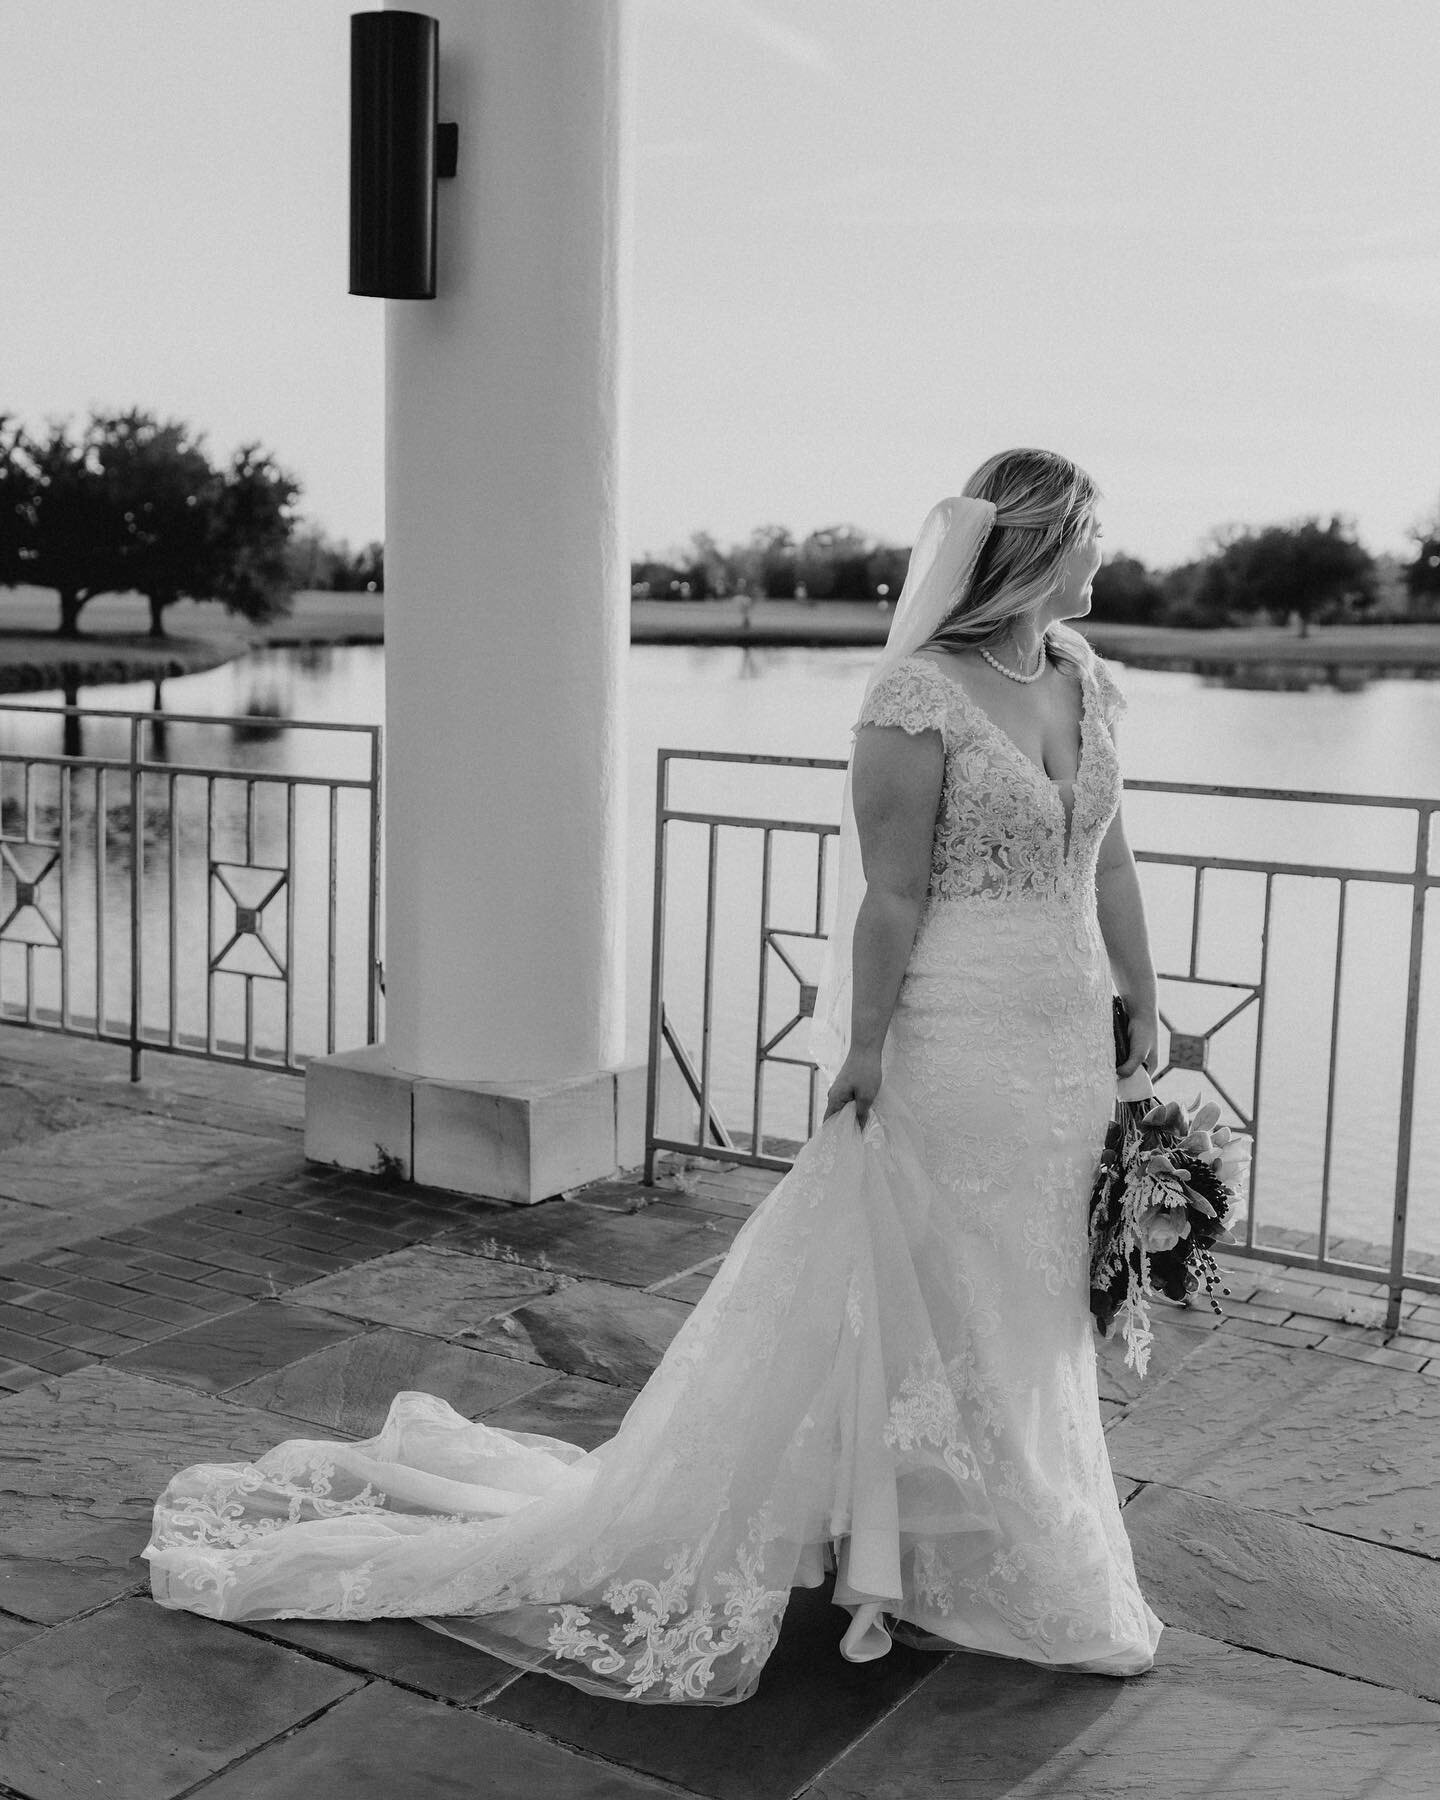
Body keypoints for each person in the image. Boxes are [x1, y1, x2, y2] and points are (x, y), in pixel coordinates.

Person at [144, 448, 1163, 1704]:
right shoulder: (918, 696)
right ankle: (921, 1559)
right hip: (953, 1038)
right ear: (1045, 543)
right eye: (1097, 536)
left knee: (1035, 1300)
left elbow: (1110, 863)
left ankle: (998, 1544)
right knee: (947, 1292)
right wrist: (861, 1049)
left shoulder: (1089, 682)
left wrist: (1145, 1004)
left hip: (1064, 1045)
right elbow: (891, 897)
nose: (1111, 559)